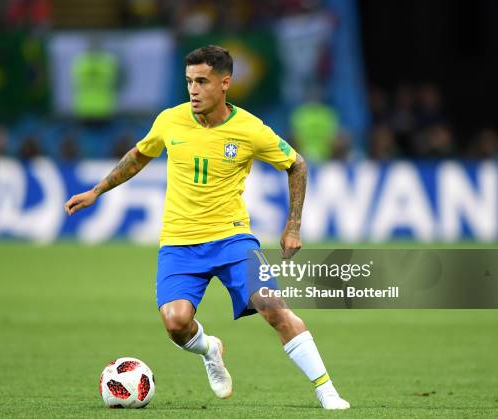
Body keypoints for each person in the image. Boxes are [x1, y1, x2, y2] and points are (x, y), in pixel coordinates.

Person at [64, 45, 349, 410]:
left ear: (225, 83)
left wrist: (293, 225)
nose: (193, 90)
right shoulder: (170, 120)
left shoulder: (250, 129)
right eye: (188, 82)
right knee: (176, 323)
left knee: (272, 306)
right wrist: (97, 190)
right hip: (180, 244)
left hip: (232, 239)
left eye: (202, 81)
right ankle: (210, 350)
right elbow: (139, 156)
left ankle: (326, 390)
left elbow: (297, 165)